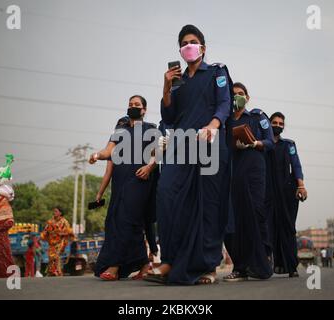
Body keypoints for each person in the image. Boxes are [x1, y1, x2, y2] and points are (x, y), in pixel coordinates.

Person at [144, 25, 232, 285]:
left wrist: (213, 125)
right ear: (180, 51)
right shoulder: (179, 84)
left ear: (203, 47)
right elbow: (169, 117)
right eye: (184, 43)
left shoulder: (217, 71)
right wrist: (166, 86)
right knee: (167, 194)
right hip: (181, 146)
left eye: (193, 41)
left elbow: (224, 102)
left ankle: (209, 266)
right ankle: (170, 259)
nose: (189, 46)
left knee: (207, 205)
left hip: (210, 145)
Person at [89, 95, 158, 281]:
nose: (133, 107)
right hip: (120, 182)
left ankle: (114, 265)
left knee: (126, 221)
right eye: (130, 104)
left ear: (144, 110)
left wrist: (149, 167)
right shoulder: (120, 130)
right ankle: (144, 265)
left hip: (140, 179)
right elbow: (108, 151)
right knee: (120, 221)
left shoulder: (151, 129)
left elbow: (159, 151)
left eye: (137, 105)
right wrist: (96, 155)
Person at [223, 82, 274, 282]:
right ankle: (240, 266)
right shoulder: (225, 121)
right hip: (230, 174)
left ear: (248, 97)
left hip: (253, 172)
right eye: (233, 94)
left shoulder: (257, 117)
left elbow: (269, 141)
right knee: (231, 221)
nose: (237, 97)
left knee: (255, 214)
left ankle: (264, 258)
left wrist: (255, 143)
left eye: (241, 94)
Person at [267, 111, 307, 277]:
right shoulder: (263, 145)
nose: (278, 126)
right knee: (269, 228)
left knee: (288, 227)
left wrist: (301, 186)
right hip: (267, 191)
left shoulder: (289, 145)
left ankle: (291, 266)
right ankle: (269, 266)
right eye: (274, 122)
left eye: (281, 124)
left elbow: (296, 165)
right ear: (268, 124)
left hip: (287, 191)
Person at [41, 207, 74, 276]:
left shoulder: (64, 222)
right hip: (52, 243)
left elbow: (69, 232)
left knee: (55, 256)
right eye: (54, 211)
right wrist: (43, 236)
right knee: (51, 257)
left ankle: (57, 272)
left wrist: (62, 233)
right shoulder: (50, 221)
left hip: (60, 242)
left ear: (60, 213)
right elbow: (46, 231)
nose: (54, 213)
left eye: (56, 211)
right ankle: (52, 272)